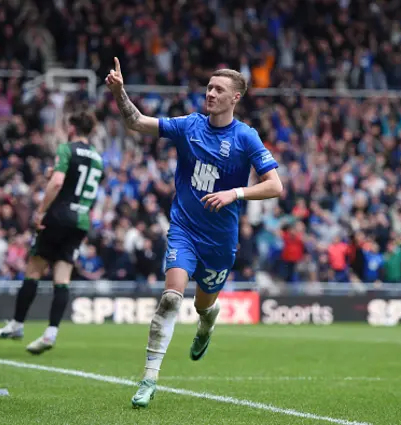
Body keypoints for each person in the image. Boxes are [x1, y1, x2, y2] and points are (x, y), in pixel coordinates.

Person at [105, 58, 283, 408]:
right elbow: (137, 122)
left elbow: (275, 186)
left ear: (235, 98)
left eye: (219, 89)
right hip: (184, 229)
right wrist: (119, 92)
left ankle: (207, 323)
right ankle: (149, 378)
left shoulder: (246, 137)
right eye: (209, 87)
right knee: (171, 298)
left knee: (204, 305)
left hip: (220, 241)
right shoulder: (189, 125)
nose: (211, 93)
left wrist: (237, 193)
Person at [0, 110, 104, 355]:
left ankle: (17, 324)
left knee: (34, 269)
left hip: (58, 217)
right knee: (62, 277)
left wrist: (41, 211)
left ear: (73, 127)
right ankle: (51, 332)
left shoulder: (67, 149)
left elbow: (57, 183)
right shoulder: (97, 157)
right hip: (80, 220)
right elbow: (83, 183)